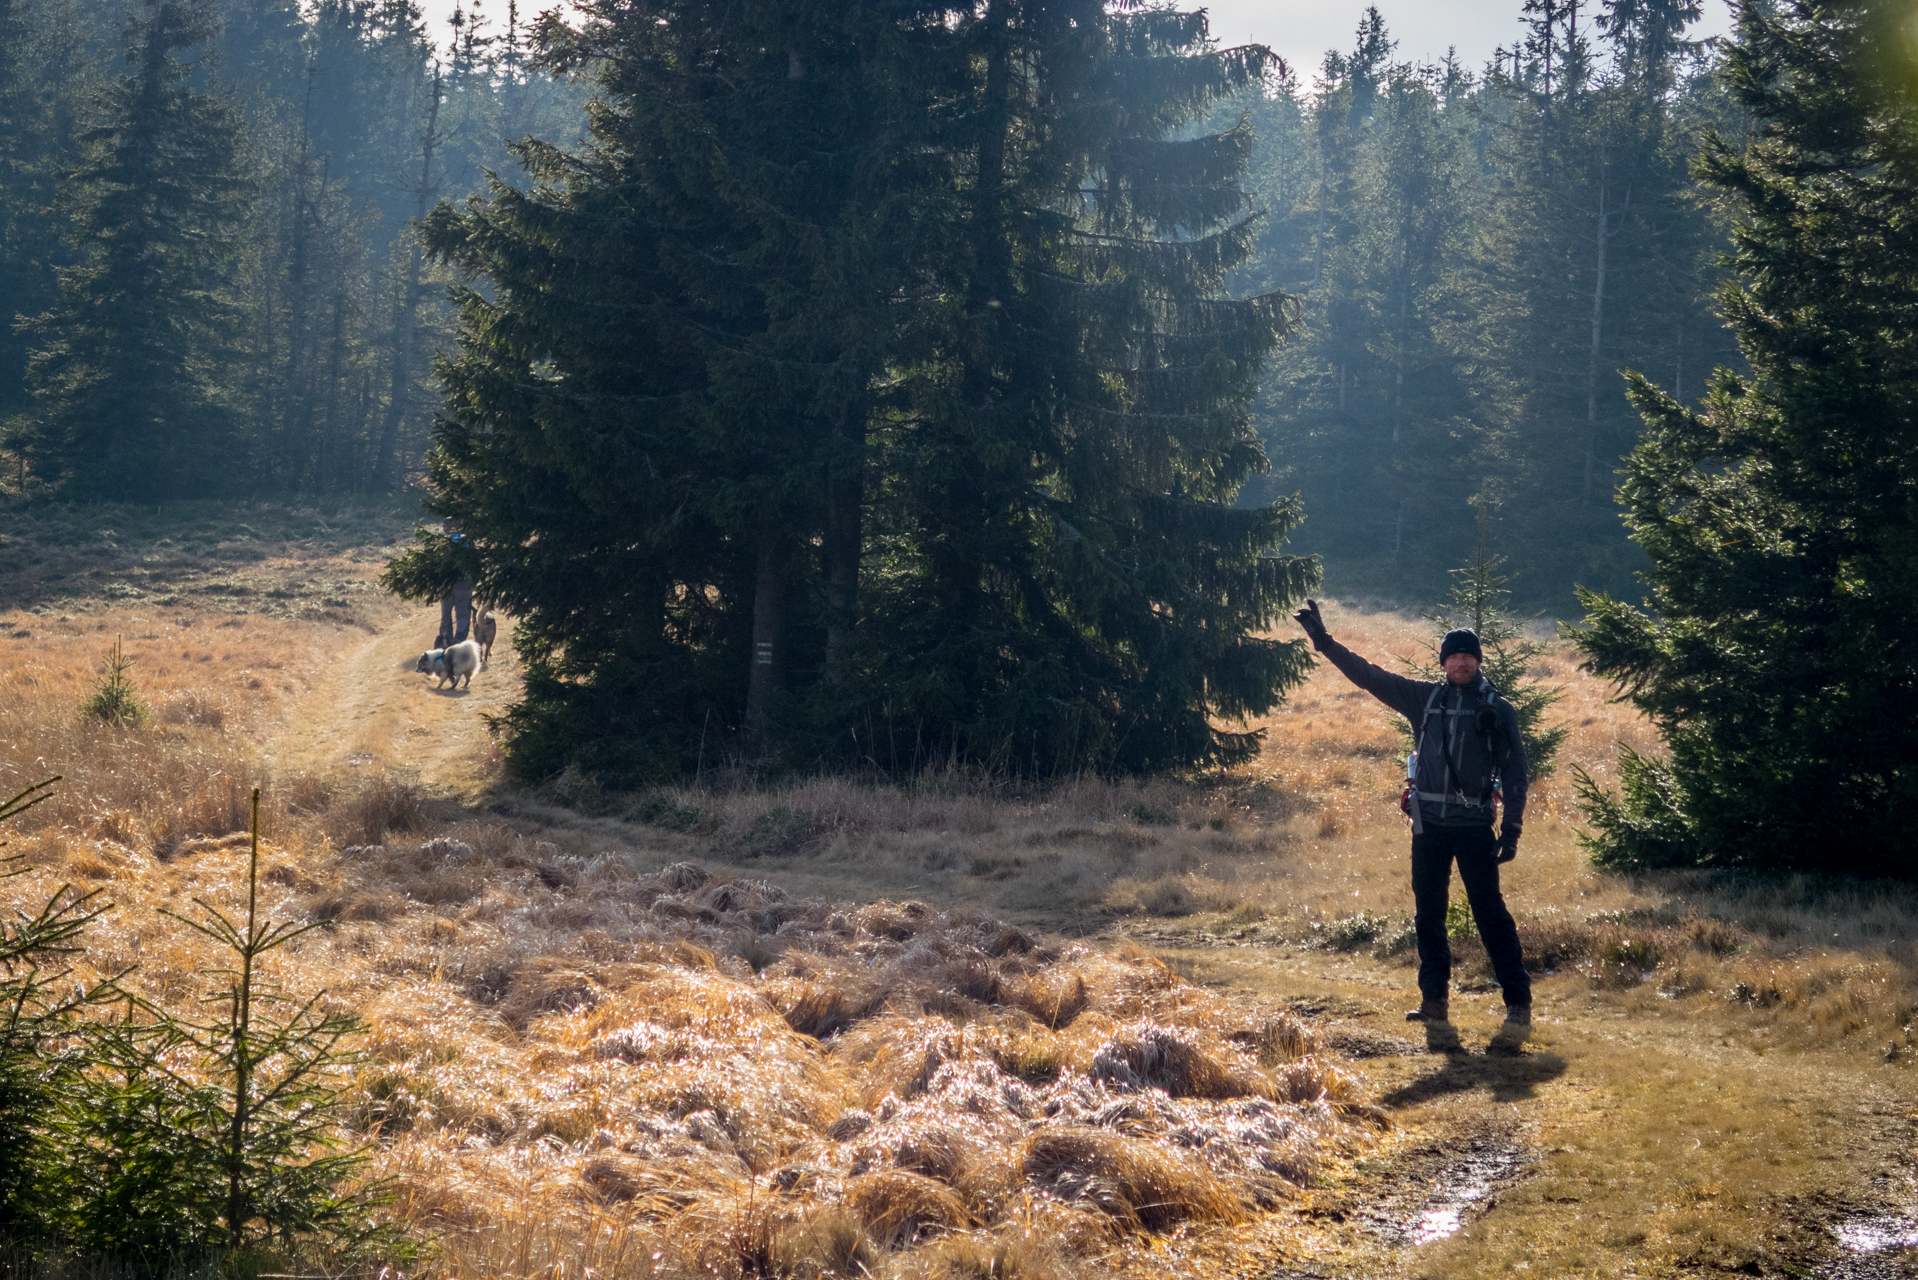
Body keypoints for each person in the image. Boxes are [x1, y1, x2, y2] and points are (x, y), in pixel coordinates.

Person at [1293, 599, 1531, 1054]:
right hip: (1429, 826)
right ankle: (1434, 1002)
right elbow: (1369, 675)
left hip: (1475, 825)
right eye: (1453, 656)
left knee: (1490, 915)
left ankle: (1518, 1004)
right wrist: (1323, 642)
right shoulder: (1423, 699)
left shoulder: (1498, 710)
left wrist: (1513, 828)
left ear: (1477, 661)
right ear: (1443, 662)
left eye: (1468, 656)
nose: (1460, 662)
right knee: (1429, 915)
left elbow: (1517, 772)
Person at [435, 519, 474, 650]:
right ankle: (459, 642)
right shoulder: (468, 541)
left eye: (445, 524)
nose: (443, 527)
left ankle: (446, 642)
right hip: (464, 583)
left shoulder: (442, 544)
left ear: (452, 526)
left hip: (446, 584)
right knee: (463, 614)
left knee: (446, 614)